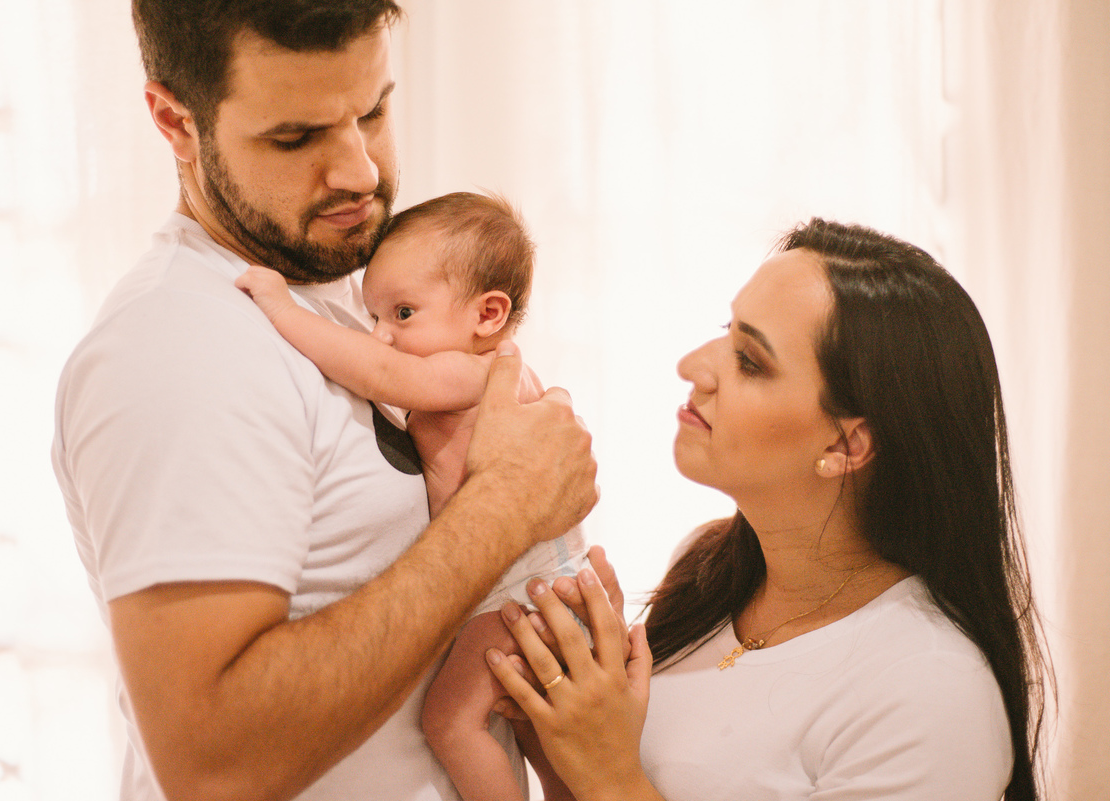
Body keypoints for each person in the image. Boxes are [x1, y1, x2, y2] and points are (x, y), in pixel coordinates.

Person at [51, 4, 602, 801]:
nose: (360, 172)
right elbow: (214, 768)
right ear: (176, 122)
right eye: (296, 137)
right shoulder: (178, 346)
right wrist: (508, 507)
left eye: (372, 112)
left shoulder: (346, 290)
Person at [487, 218, 1051, 801]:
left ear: (846, 445)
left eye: (750, 361)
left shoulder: (932, 691)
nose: (692, 366)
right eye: (725, 331)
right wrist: (562, 721)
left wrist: (607, 771)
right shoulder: (707, 570)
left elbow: (614, 776)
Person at [236, 190, 588, 801]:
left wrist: (281, 308)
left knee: (450, 723)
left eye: (402, 314)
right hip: (543, 587)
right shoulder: (486, 373)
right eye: (373, 315)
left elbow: (377, 373)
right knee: (546, 743)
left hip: (522, 594)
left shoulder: (474, 372)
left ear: (488, 315)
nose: (382, 336)